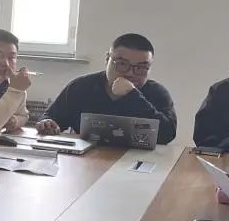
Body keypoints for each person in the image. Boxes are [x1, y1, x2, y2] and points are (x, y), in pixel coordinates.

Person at [37, 33, 177, 144]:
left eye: (141, 67)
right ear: (107, 59)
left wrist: (132, 95)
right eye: (122, 64)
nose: (130, 73)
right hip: (88, 160)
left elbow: (168, 135)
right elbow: (51, 117)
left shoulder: (157, 93)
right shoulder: (81, 87)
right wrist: (47, 124)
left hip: (139, 161)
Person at [0, 28, 31, 132]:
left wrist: (14, 121)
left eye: (11, 57)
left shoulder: (14, 83)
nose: (5, 63)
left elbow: (23, 115)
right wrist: (15, 91)